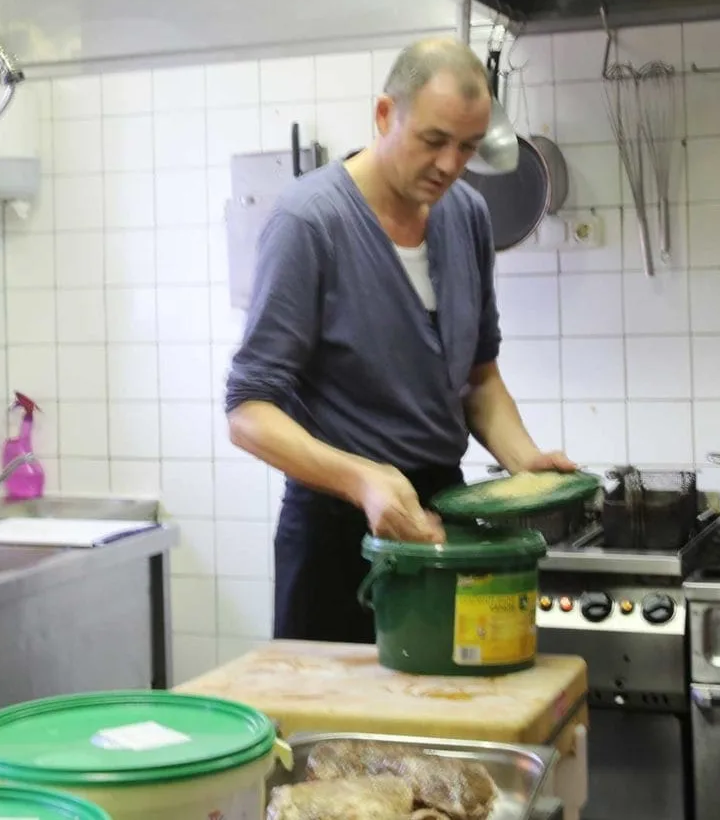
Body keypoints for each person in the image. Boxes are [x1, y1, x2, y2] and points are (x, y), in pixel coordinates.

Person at [223, 37, 576, 644]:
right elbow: (248, 412)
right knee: (336, 733)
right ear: (385, 115)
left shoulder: (466, 215)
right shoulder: (310, 222)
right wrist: (362, 480)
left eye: (466, 148)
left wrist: (524, 462)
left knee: (442, 719)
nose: (449, 165)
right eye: (433, 141)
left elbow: (480, 379)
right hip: (337, 534)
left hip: (445, 516)